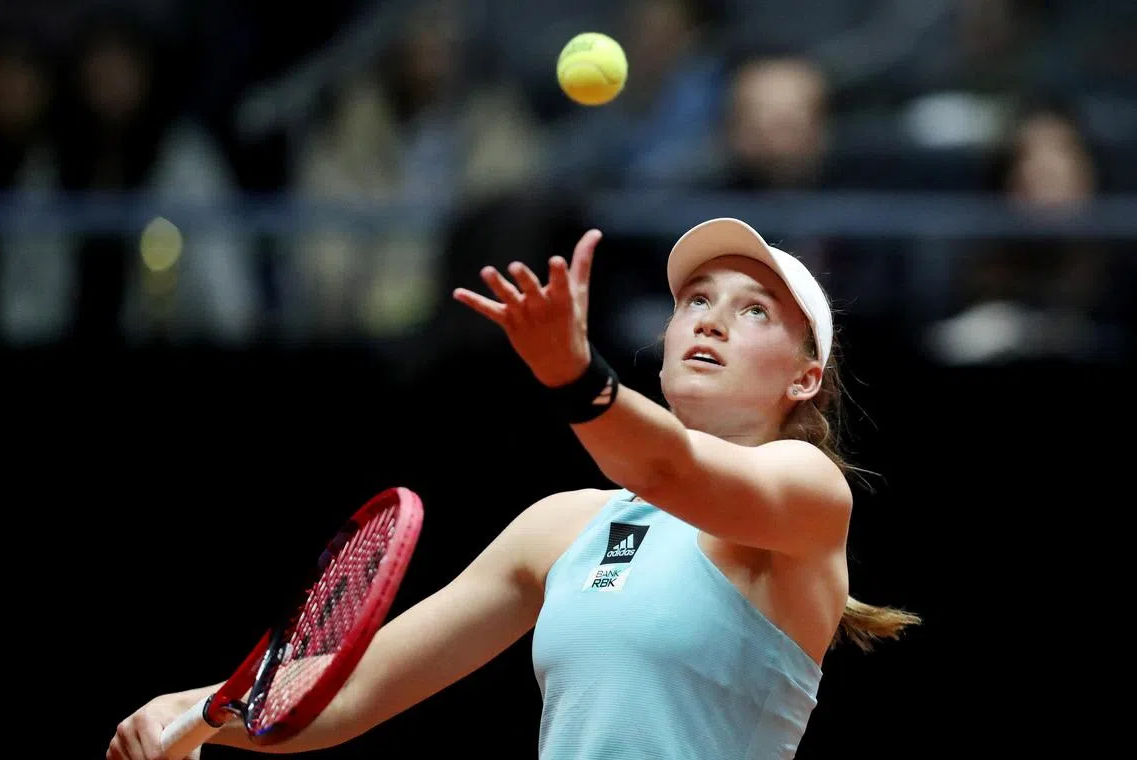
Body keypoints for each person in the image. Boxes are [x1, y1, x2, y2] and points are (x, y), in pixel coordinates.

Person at [107, 217, 920, 760]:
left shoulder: (810, 498)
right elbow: (343, 694)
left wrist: (575, 376)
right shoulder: (561, 529)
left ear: (805, 378)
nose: (709, 319)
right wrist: (197, 712)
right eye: (696, 300)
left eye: (754, 311)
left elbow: (669, 466)